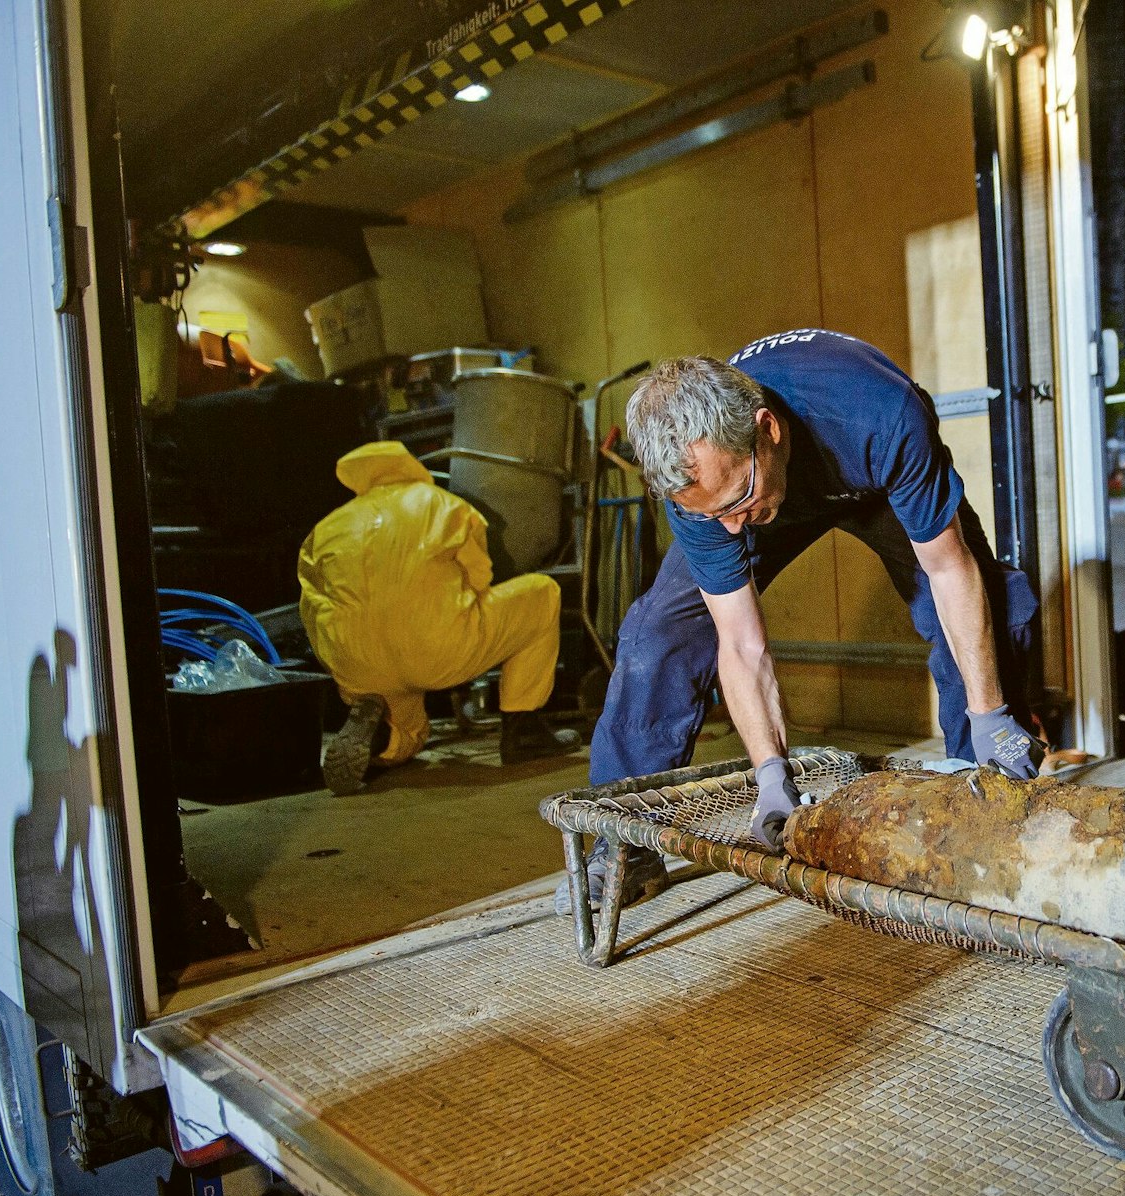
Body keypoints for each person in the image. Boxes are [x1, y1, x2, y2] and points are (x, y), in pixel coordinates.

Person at [571, 329, 1039, 910]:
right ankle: (625, 841)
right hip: (770, 483)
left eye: (736, 501)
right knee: (659, 633)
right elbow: (741, 642)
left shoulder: (881, 413)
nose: (735, 529)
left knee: (986, 596)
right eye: (714, 513)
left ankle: (985, 796)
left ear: (767, 431)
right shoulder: (706, 488)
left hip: (870, 474)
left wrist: (989, 712)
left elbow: (949, 571)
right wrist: (771, 774)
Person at [298, 441, 576, 795]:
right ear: (410, 468)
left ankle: (381, 735)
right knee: (542, 593)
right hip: (438, 648)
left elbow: (311, 606)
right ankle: (524, 730)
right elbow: (480, 577)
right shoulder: (443, 505)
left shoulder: (327, 528)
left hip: (358, 666)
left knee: (412, 734)